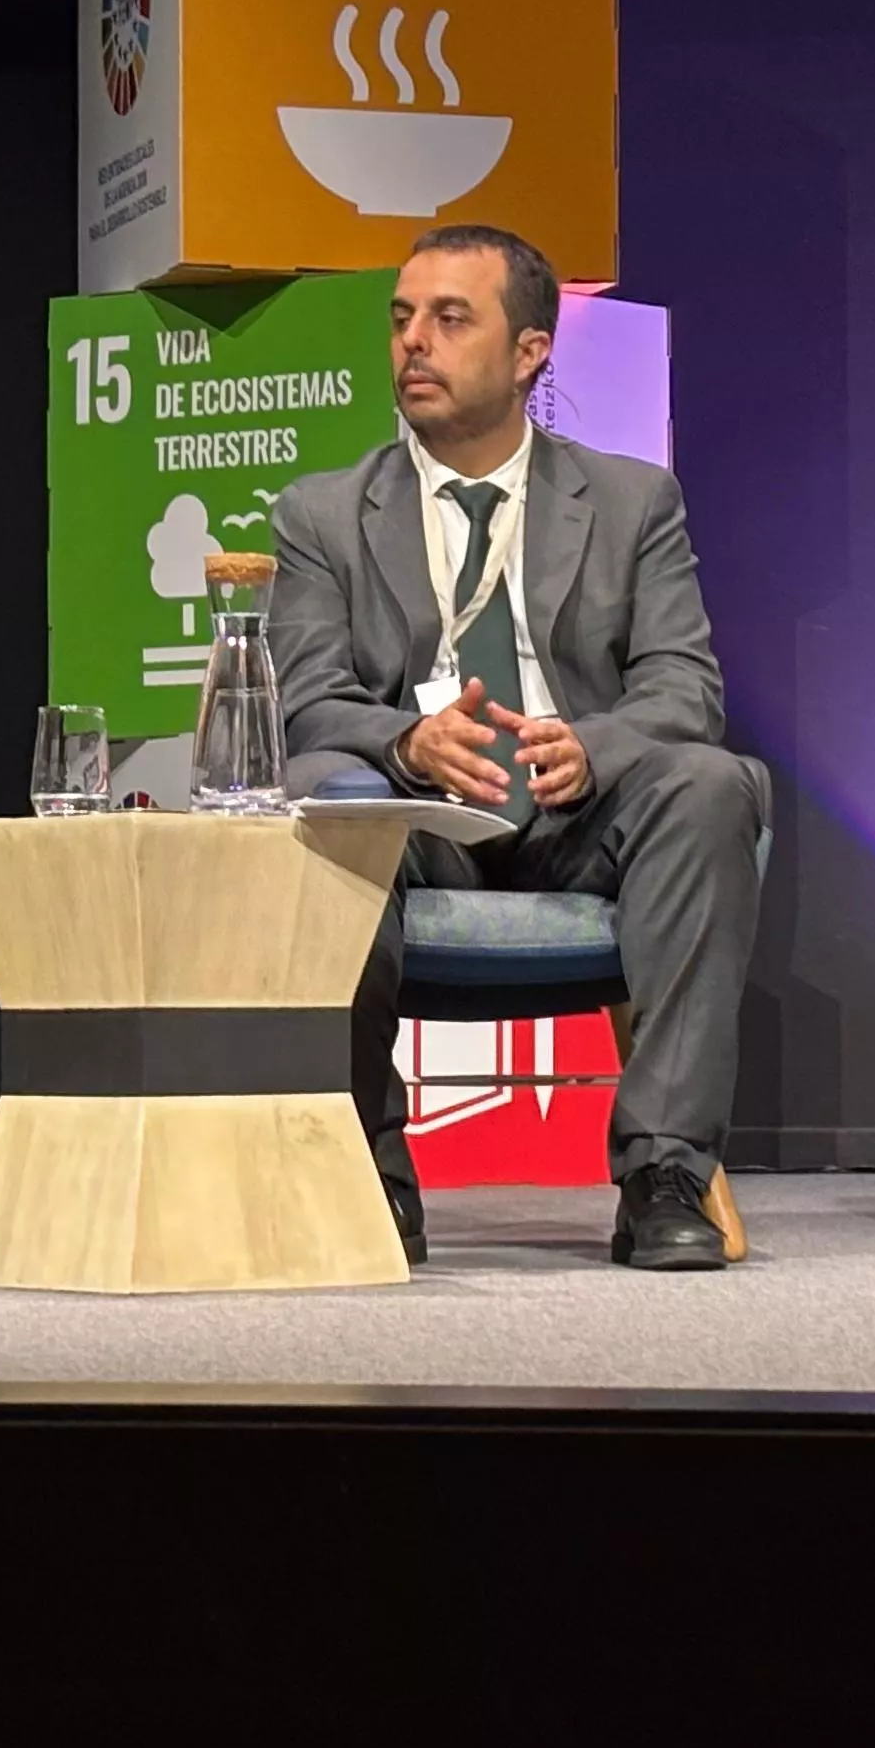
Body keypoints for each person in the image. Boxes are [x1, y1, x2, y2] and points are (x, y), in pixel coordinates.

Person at [271, 225, 770, 1272]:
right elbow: (308, 704)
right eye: (403, 319)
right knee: (325, 793)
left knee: (708, 783)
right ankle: (370, 1170)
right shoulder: (320, 514)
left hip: (573, 813)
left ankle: (664, 1175)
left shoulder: (633, 502)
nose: (416, 342)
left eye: (451, 320)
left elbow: (687, 690)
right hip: (420, 817)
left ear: (532, 351)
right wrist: (407, 740)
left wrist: (592, 747)